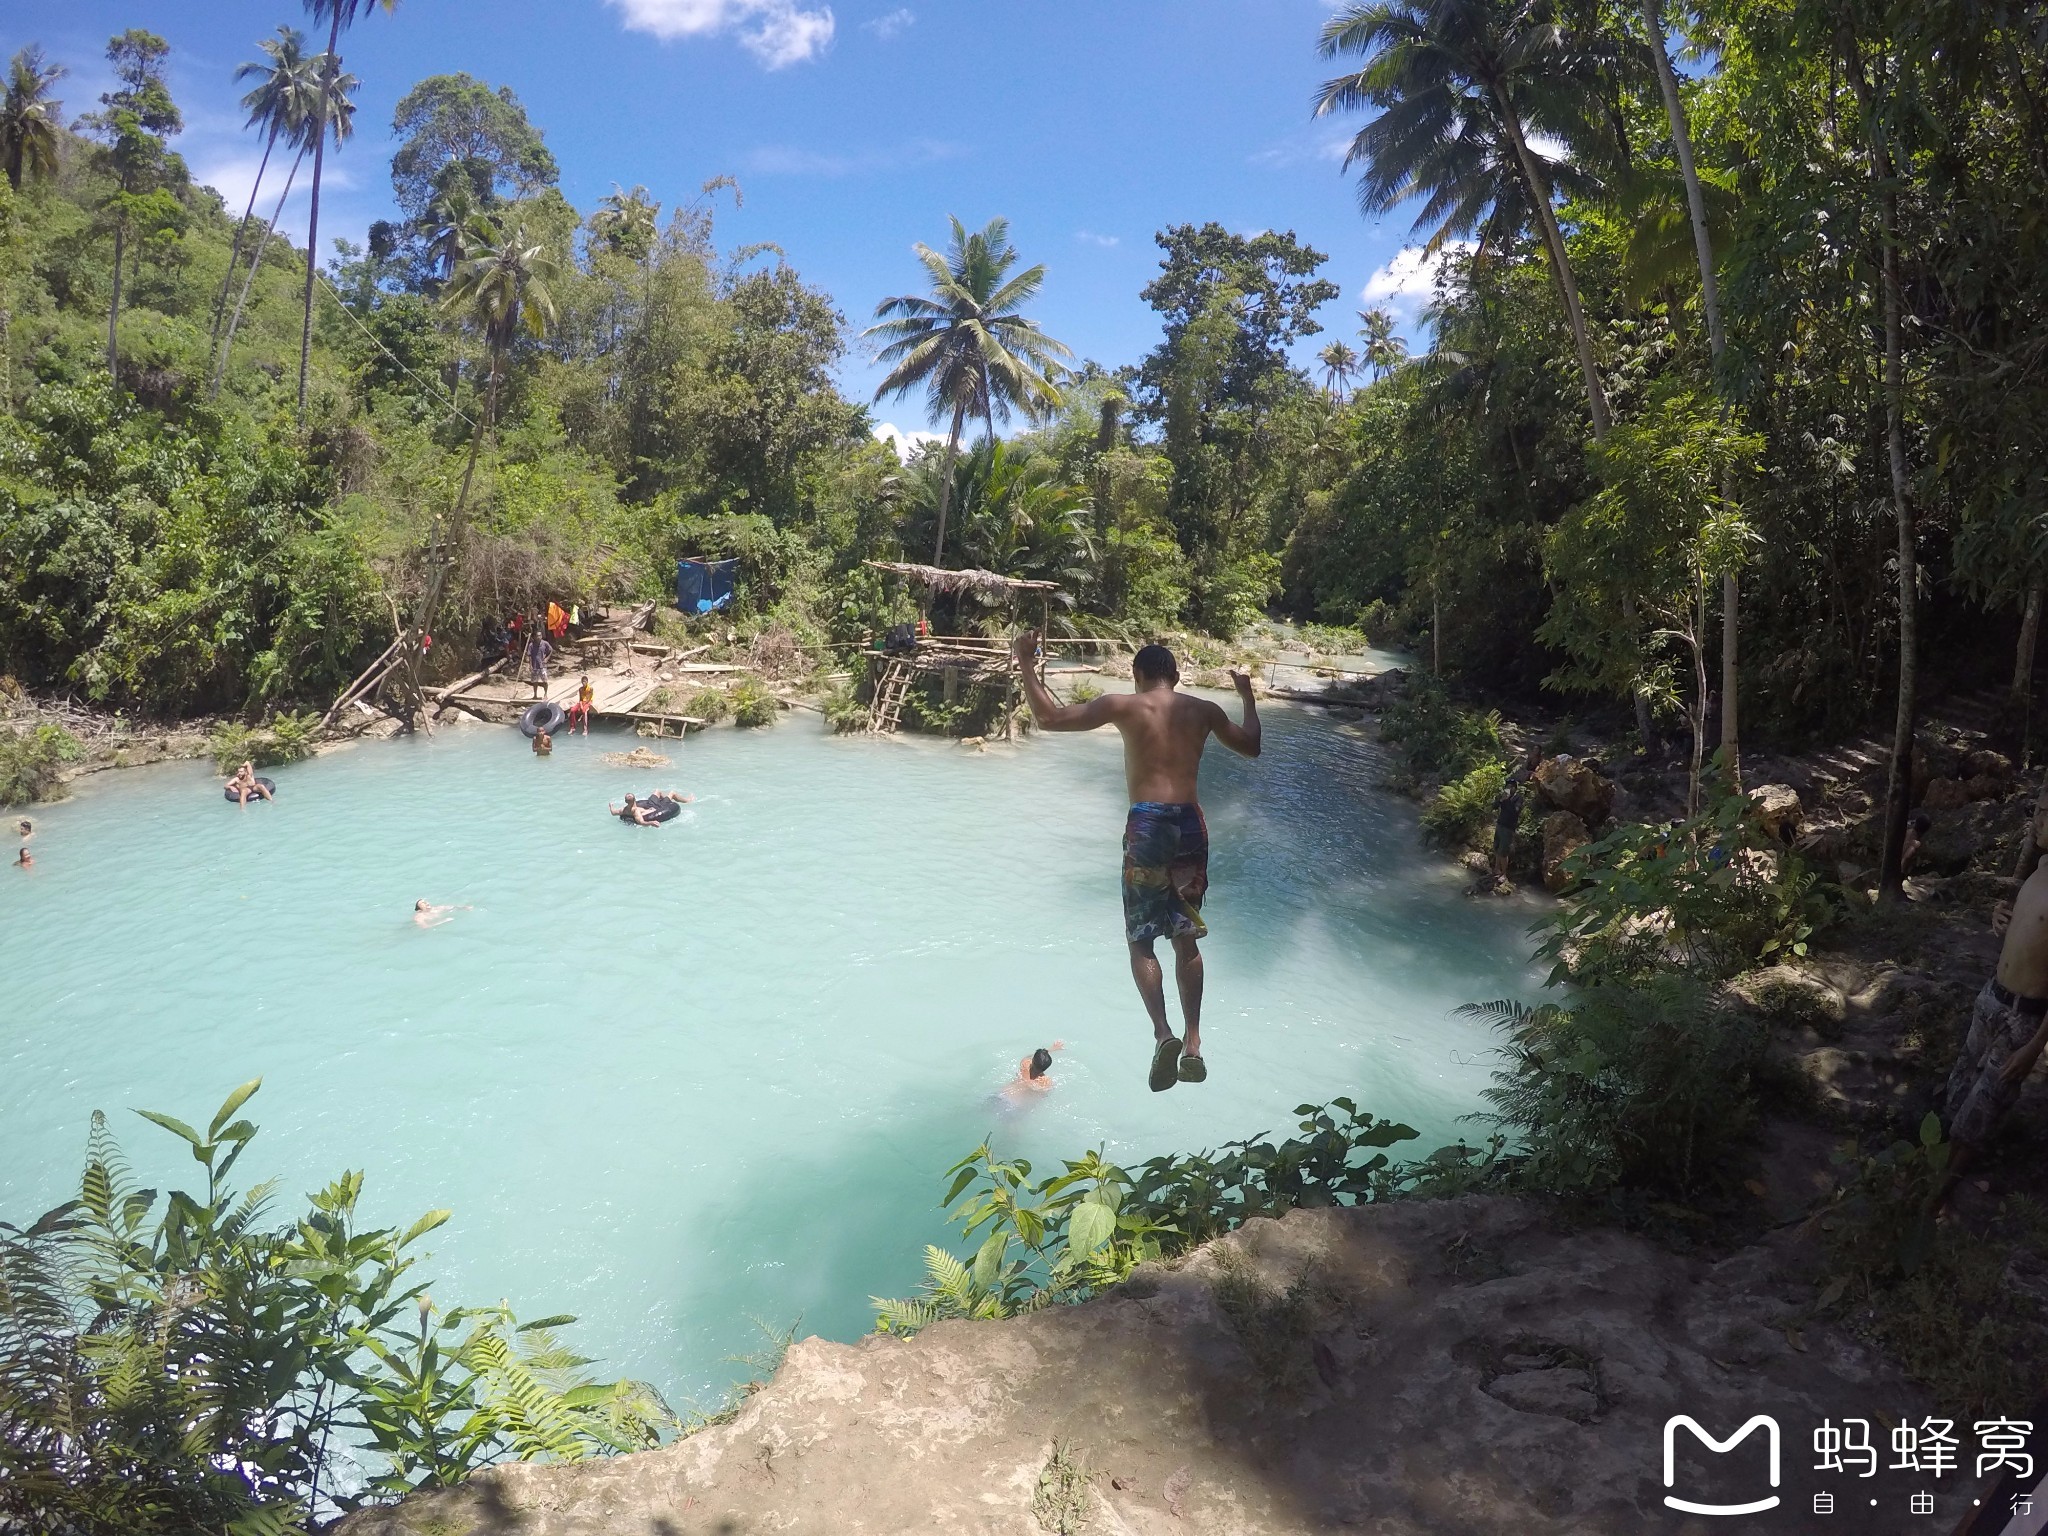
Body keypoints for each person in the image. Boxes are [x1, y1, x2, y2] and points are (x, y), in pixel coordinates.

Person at [1013, 630, 1261, 1092]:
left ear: (1137, 676)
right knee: (1185, 937)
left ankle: (1162, 1033)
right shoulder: (1203, 710)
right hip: (1190, 825)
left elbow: (1047, 717)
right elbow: (1251, 745)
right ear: (1177, 676)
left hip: (1147, 826)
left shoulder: (1123, 706)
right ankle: (1193, 1042)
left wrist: (1026, 662)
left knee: (1141, 941)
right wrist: (1247, 696)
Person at [1935, 785, 2048, 1210]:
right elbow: (2027, 928)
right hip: (1992, 997)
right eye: (2035, 810)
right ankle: (1931, 1169)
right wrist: (2001, 916)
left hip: (2025, 1015)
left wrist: (2035, 1048)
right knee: (1959, 1086)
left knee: (1984, 1107)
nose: (2035, 820)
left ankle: (1936, 1198)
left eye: (2044, 813)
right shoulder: (2041, 866)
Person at [1491, 746, 1543, 887]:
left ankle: (1504, 874)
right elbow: (1494, 806)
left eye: (1511, 787)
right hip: (1500, 824)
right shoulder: (1504, 797)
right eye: (1507, 786)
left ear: (1515, 788)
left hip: (1508, 827)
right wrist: (1500, 800)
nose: (1508, 788)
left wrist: (1507, 801)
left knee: (1503, 851)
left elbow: (1515, 811)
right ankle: (1496, 869)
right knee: (1496, 848)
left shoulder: (1518, 799)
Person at [525, 629, 553, 698]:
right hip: (534, 666)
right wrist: (530, 665)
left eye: (540, 635)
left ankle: (545, 694)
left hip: (542, 665)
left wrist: (547, 658)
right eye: (537, 636)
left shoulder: (545, 643)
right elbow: (529, 655)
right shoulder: (531, 645)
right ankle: (535, 695)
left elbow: (551, 650)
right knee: (535, 682)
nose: (539, 637)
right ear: (534, 637)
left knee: (545, 681)